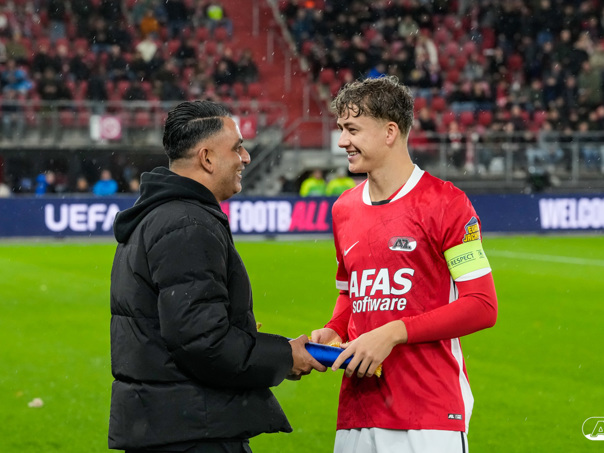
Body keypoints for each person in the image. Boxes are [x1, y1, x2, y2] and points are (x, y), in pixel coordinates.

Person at [109, 100, 325, 452]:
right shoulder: (187, 223)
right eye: (237, 147)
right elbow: (203, 342)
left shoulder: (160, 215)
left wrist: (242, 334)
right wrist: (284, 355)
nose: (246, 158)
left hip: (169, 424)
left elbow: (187, 328)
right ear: (207, 158)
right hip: (194, 431)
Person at [311, 76, 498, 453]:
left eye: (352, 129)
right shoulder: (343, 209)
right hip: (357, 410)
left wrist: (394, 332)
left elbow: (482, 305)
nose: (342, 141)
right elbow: (350, 296)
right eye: (341, 129)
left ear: (390, 132)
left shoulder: (446, 203)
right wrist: (333, 330)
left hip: (427, 413)